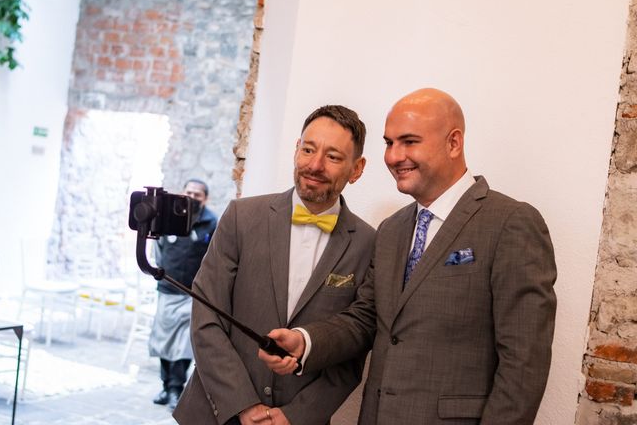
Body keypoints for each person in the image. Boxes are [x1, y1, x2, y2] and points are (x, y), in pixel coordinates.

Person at [260, 88, 558, 424]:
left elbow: (524, 365)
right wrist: (305, 342)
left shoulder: (510, 223)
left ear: (454, 143)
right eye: (389, 143)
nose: (394, 156)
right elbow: (365, 319)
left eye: (409, 141)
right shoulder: (391, 230)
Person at [172, 105, 375, 425]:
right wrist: (242, 404)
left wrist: (296, 415)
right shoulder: (241, 217)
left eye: (333, 157)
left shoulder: (368, 243)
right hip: (214, 414)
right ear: (296, 149)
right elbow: (205, 317)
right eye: (308, 149)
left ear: (357, 168)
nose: (315, 165)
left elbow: (354, 347)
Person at [149, 178, 218, 411]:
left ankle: (176, 389)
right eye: (188, 191)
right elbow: (157, 249)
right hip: (167, 290)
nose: (191, 196)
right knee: (163, 341)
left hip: (192, 293)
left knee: (183, 345)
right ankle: (165, 385)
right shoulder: (169, 217)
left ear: (205, 198)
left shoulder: (211, 223)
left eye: (197, 194)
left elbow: (214, 258)